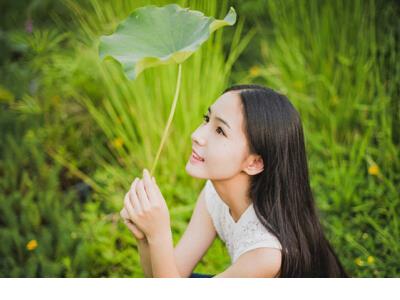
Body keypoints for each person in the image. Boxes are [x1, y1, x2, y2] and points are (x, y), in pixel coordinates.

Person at [122, 84, 349, 278]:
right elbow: (171, 274)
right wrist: (146, 238)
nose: (197, 135)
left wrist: (159, 234)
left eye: (220, 130)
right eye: (206, 119)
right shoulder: (214, 192)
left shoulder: (267, 254)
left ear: (254, 162)